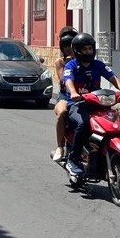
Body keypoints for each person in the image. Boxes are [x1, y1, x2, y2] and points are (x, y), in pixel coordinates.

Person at [62, 32, 120, 185]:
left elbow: (112, 76)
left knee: (116, 125)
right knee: (83, 124)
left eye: (90, 48)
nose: (88, 52)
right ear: (77, 50)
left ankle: (107, 155)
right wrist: (73, 93)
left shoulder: (98, 65)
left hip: (96, 103)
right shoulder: (71, 65)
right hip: (77, 104)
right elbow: (68, 80)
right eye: (85, 49)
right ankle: (74, 160)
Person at [51, 25, 78, 162]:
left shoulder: (84, 58)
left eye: (71, 44)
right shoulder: (60, 62)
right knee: (62, 112)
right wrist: (70, 64)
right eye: (66, 45)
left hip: (84, 94)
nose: (69, 48)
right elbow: (63, 79)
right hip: (65, 95)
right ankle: (60, 146)